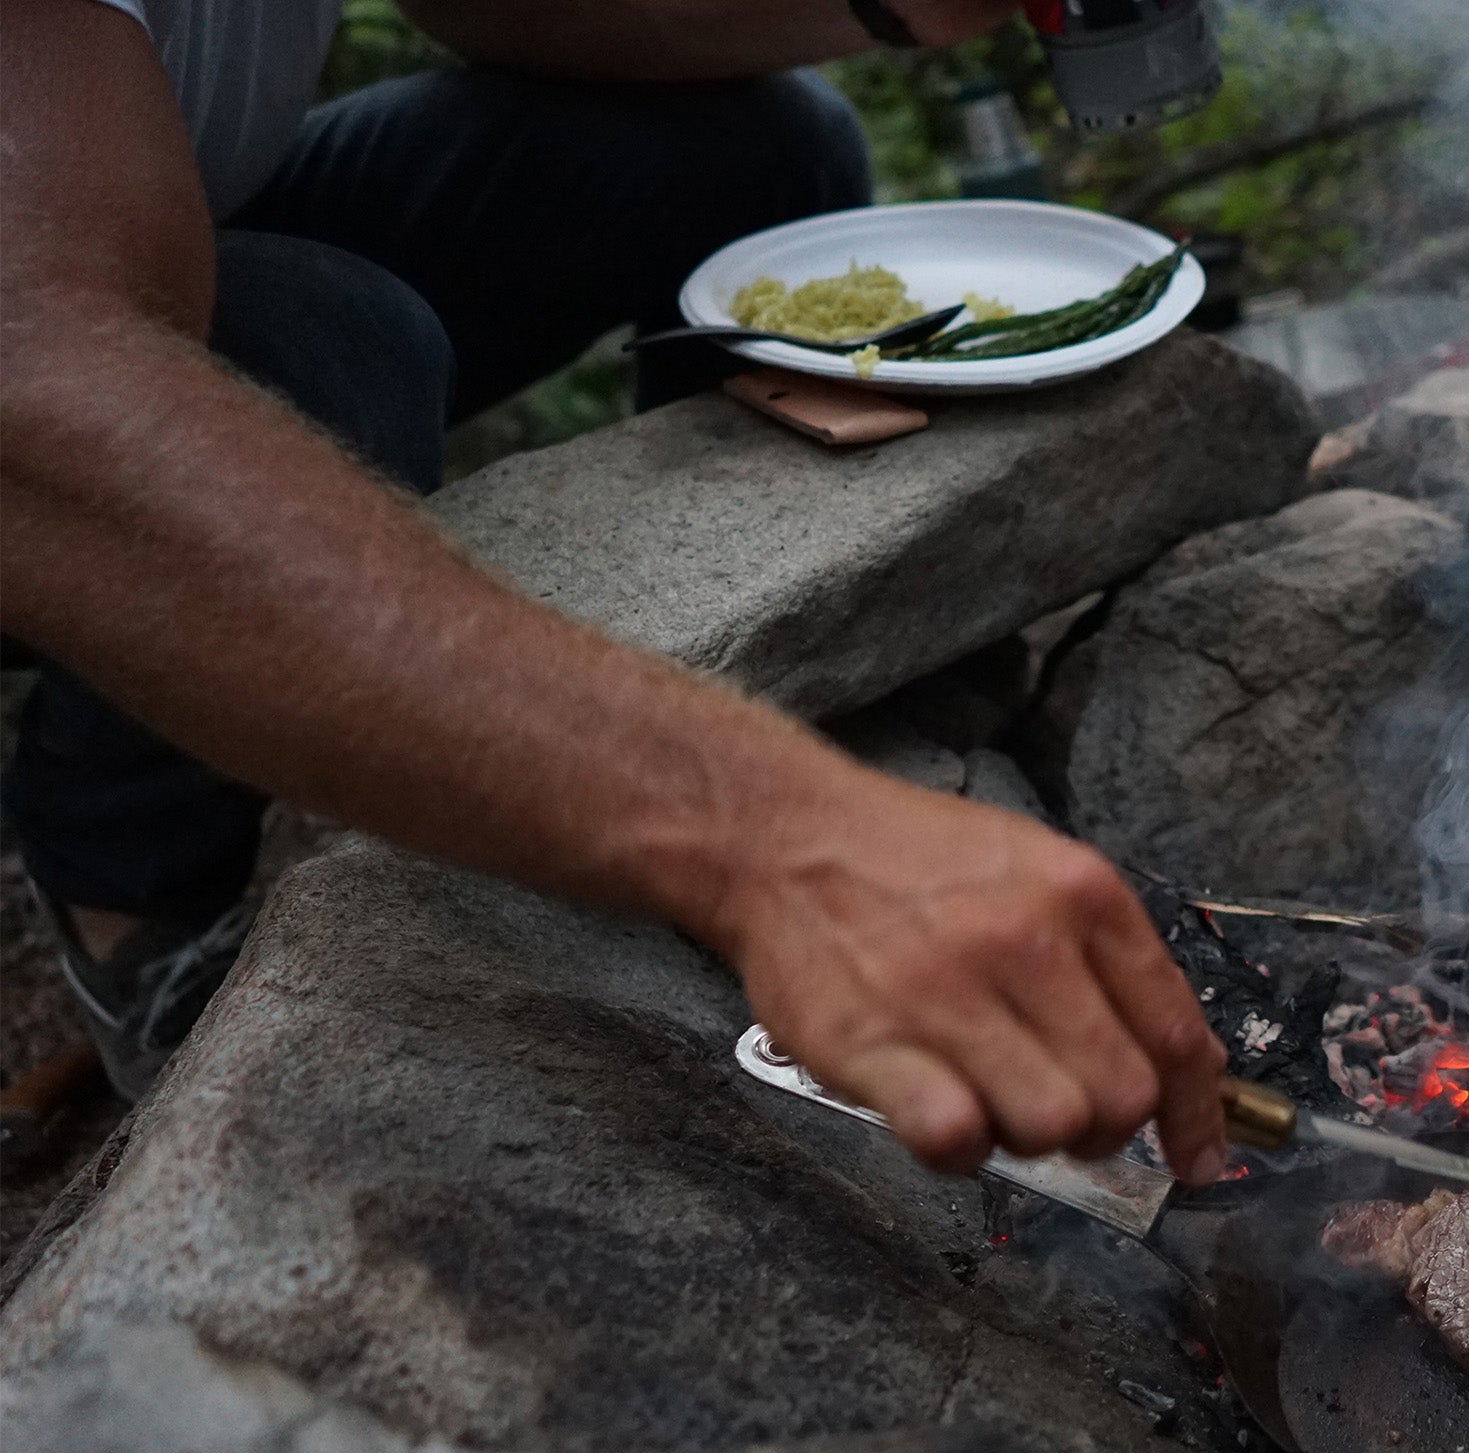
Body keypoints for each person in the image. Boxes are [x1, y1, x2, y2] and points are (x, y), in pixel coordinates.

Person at [0, 0, 1229, 1188]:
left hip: (185, 209)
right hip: (49, 305)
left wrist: (882, 6)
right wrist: (781, 838)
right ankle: (134, 890)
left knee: (762, 148)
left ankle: (754, 661)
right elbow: (33, 381)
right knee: (335, 347)